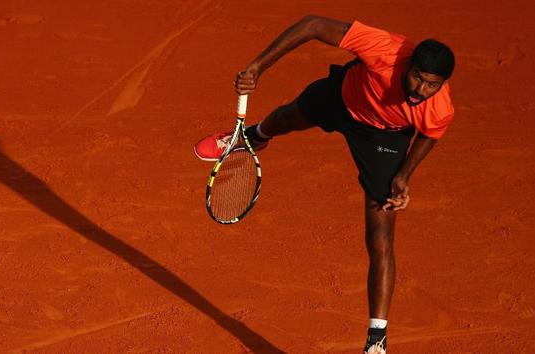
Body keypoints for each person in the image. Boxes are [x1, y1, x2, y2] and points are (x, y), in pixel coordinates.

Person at [194, 15, 455, 354]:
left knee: (380, 235)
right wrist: (258, 67)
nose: (421, 89)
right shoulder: (386, 49)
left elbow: (428, 136)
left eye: (431, 85)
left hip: (384, 138)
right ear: (408, 66)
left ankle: (377, 340)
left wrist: (404, 175)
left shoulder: (439, 107)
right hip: (342, 98)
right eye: (417, 78)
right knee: (287, 117)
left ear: (442, 84)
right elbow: (313, 25)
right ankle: (253, 137)